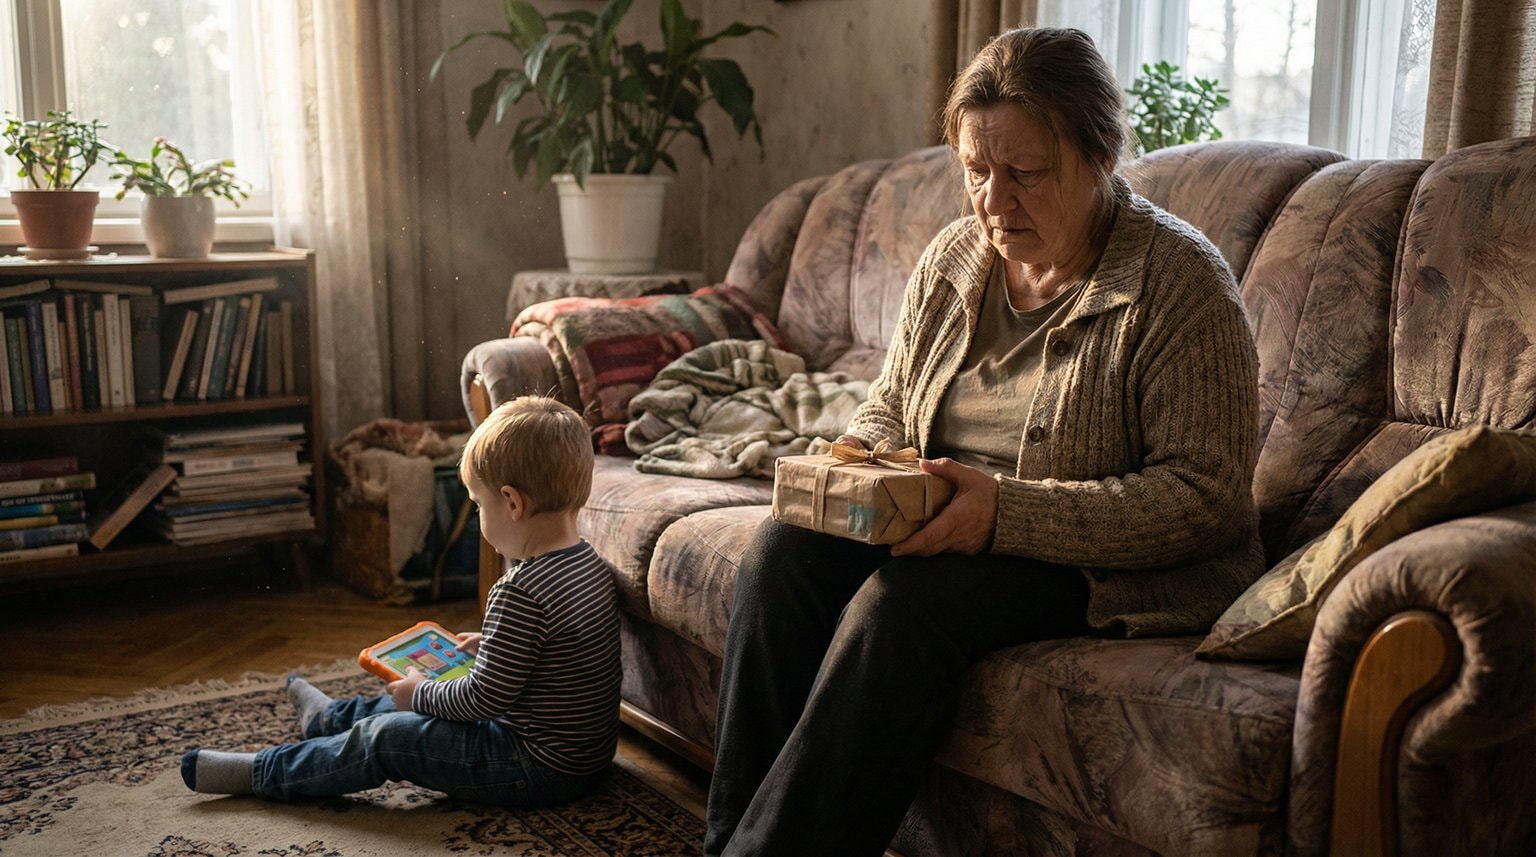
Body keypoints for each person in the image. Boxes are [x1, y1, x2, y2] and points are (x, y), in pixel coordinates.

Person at [704, 27, 1265, 856]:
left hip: (1095, 561)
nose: (993, 202)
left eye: (1024, 174)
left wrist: (1002, 515)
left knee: (902, 609)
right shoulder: (957, 258)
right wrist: (863, 463)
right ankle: (726, 844)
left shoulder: (1179, 285)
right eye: (976, 171)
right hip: (943, 518)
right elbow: (890, 403)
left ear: (1102, 153)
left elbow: (1204, 500)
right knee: (782, 553)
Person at [181, 397, 622, 807]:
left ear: (511, 502)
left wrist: (420, 697)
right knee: (407, 695)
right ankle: (331, 719)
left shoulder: (520, 590)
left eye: (478, 506)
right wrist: (492, 643)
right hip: (582, 759)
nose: (478, 518)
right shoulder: (589, 565)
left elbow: (481, 701)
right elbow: (557, 656)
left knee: (389, 734)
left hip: (533, 767)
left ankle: (263, 771)